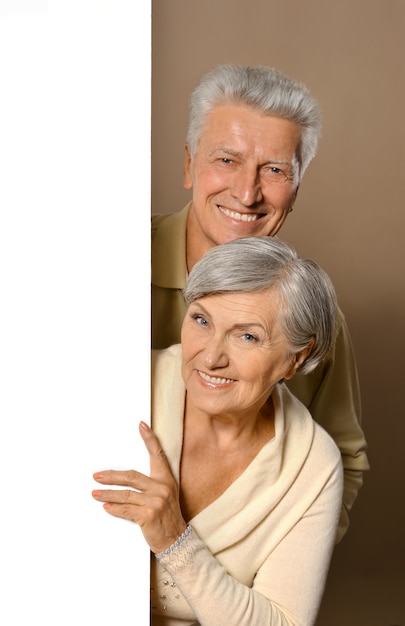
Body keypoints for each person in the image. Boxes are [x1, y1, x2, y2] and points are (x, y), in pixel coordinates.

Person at [151, 63, 369, 542]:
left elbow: (344, 457)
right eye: (226, 160)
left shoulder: (314, 315)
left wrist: (276, 559)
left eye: (274, 170)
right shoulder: (106, 266)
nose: (247, 194)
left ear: (296, 190)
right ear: (189, 165)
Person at [93, 236, 343, 626]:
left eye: (247, 336)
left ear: (297, 358)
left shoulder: (313, 465)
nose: (210, 357)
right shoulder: (125, 382)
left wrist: (176, 542)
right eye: (201, 319)